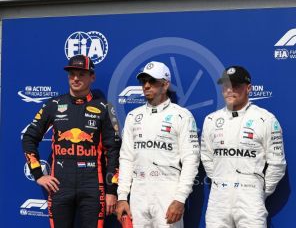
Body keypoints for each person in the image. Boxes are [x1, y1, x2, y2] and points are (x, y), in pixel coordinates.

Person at [22, 55, 121, 228]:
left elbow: (113, 152)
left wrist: (112, 190)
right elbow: (29, 138)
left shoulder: (105, 108)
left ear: (92, 77)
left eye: (81, 74)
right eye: (72, 74)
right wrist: (38, 174)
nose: (75, 78)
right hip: (60, 185)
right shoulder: (53, 105)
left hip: (93, 186)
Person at [116, 61, 200, 227]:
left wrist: (180, 198)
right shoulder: (133, 116)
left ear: (165, 84)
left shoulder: (182, 116)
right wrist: (122, 197)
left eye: (152, 81)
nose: (146, 86)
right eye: (143, 81)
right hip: (139, 192)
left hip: (168, 191)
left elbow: (191, 160)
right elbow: (126, 159)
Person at [201, 66, 286, 228]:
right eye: (226, 85)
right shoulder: (211, 120)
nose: (230, 90)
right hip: (218, 199)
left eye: (236, 86)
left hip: (250, 198)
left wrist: (259, 192)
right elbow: (206, 156)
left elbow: (277, 164)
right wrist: (220, 180)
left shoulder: (265, 119)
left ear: (248, 88)